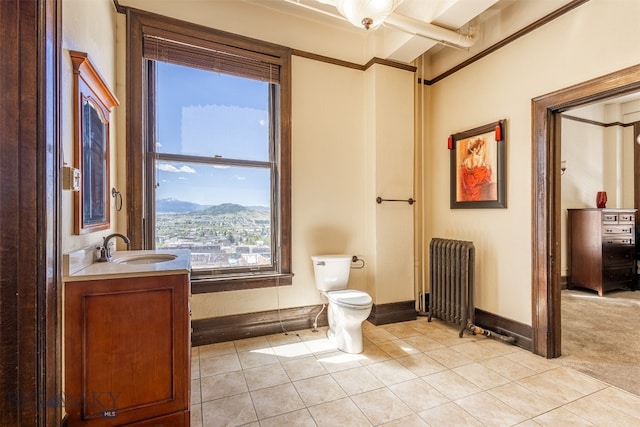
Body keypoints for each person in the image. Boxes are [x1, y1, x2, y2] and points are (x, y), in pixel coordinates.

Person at [459, 137, 492, 201]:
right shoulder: (477, 159)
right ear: (475, 149)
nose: (481, 150)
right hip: (472, 183)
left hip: (472, 184)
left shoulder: (467, 160)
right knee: (485, 170)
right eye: (479, 147)